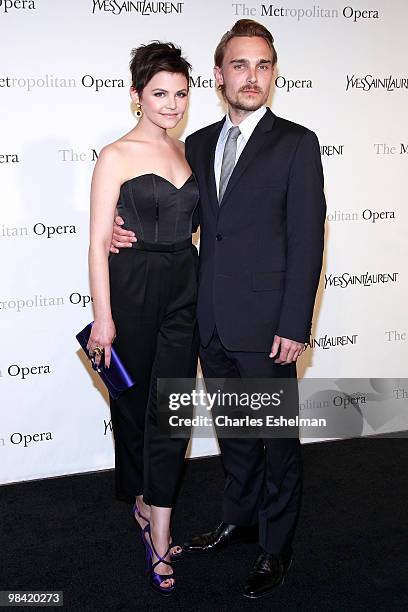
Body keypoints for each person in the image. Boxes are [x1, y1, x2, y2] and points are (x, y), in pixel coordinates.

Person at [111, 19, 326, 599]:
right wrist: (116, 226)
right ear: (219, 76)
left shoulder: (297, 143)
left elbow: (308, 241)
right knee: (234, 432)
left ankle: (275, 546)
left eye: (262, 65)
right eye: (239, 65)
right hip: (207, 318)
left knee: (276, 441)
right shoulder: (199, 143)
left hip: (267, 325)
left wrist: (293, 324)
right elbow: (180, 218)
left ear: (273, 73)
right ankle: (238, 518)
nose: (251, 77)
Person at [87, 41, 199, 596]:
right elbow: (96, 242)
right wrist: (102, 319)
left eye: (181, 94)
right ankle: (140, 498)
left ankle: (160, 532)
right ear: (136, 96)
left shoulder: (190, 153)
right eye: (160, 94)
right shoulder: (115, 155)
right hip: (131, 291)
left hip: (186, 289)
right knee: (133, 408)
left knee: (173, 410)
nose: (172, 104)